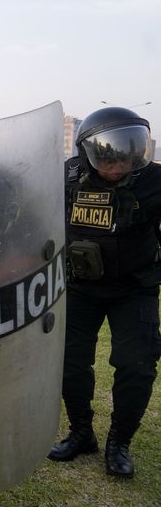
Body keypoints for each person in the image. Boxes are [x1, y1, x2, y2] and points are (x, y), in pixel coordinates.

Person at [47, 107, 161, 478]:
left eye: (129, 155)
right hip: (80, 287)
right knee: (70, 360)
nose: (119, 164)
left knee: (136, 365)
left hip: (135, 288)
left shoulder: (153, 180)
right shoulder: (67, 178)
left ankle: (120, 441)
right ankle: (82, 433)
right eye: (110, 156)